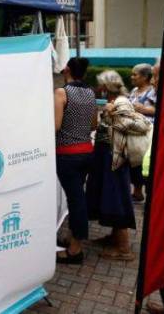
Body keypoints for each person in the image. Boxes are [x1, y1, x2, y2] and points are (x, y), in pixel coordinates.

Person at [87, 70, 137, 260]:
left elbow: (125, 129)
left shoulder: (120, 103)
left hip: (114, 158)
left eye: (101, 85)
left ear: (107, 86)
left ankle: (123, 248)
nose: (99, 88)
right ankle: (115, 237)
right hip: (108, 157)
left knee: (116, 197)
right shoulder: (116, 102)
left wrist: (110, 112)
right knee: (109, 195)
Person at [53, 57, 97, 264]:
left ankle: (75, 249)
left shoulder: (62, 93)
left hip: (67, 154)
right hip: (87, 152)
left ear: (67, 70)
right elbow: (94, 124)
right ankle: (73, 238)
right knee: (77, 197)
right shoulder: (90, 93)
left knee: (76, 200)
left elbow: (56, 125)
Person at [127, 63, 156, 202]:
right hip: (133, 132)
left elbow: (158, 109)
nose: (132, 77)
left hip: (146, 133)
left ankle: (143, 193)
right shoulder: (134, 91)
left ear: (145, 77)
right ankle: (137, 192)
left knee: (143, 163)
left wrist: (142, 109)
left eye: (135, 74)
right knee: (133, 162)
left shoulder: (152, 91)